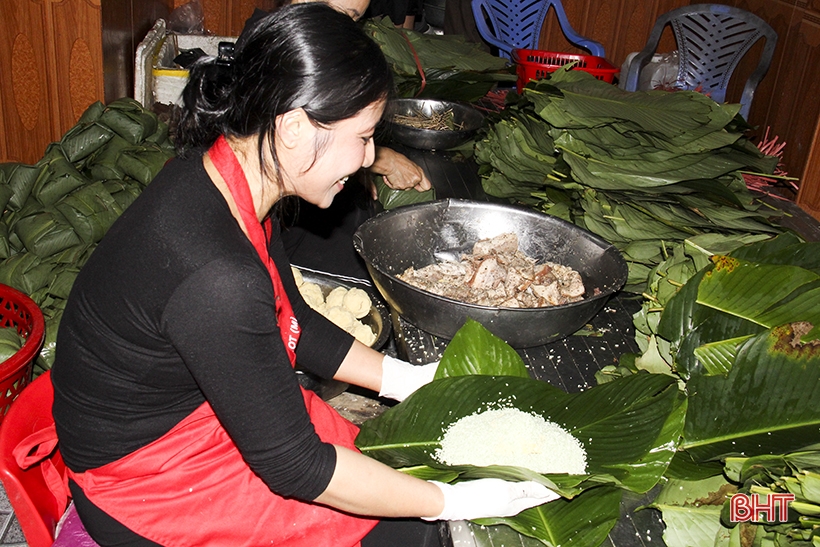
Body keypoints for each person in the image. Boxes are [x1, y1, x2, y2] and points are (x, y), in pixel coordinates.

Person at [50, 5, 558, 547]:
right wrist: (452, 503)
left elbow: (296, 324)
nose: (368, 159)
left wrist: (405, 378)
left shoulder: (227, 178)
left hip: (190, 421)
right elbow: (296, 468)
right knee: (410, 531)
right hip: (148, 481)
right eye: (362, 137)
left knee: (389, 484)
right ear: (293, 127)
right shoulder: (218, 275)